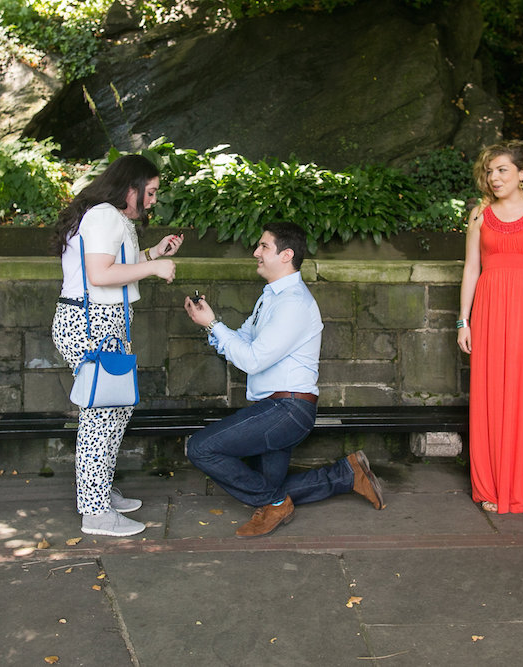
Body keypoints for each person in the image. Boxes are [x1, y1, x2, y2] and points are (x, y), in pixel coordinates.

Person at [183, 222, 385, 538]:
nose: (256, 252)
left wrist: (214, 325)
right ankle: (347, 475)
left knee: (200, 448)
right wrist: (211, 325)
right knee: (270, 485)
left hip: (287, 411)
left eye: (264, 246)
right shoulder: (271, 296)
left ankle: (276, 503)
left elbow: (252, 360)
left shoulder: (293, 303)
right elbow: (242, 342)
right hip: (275, 407)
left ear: (286, 254)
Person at [51, 154, 183, 537]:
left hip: (99, 322)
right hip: (90, 322)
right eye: (152, 191)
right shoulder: (106, 216)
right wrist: (155, 269)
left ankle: (100, 493)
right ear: (132, 189)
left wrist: (154, 254)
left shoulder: (109, 216)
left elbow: (114, 265)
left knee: (115, 408)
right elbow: (100, 274)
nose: (154, 200)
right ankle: (95, 512)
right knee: (102, 415)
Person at [457, 142, 523, 514]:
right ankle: (489, 485)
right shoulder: (480, 213)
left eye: (501, 169)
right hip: (488, 308)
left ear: (521, 174)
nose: (494, 177)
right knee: (488, 394)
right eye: (489, 171)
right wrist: (462, 321)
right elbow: (471, 268)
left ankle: (519, 488)